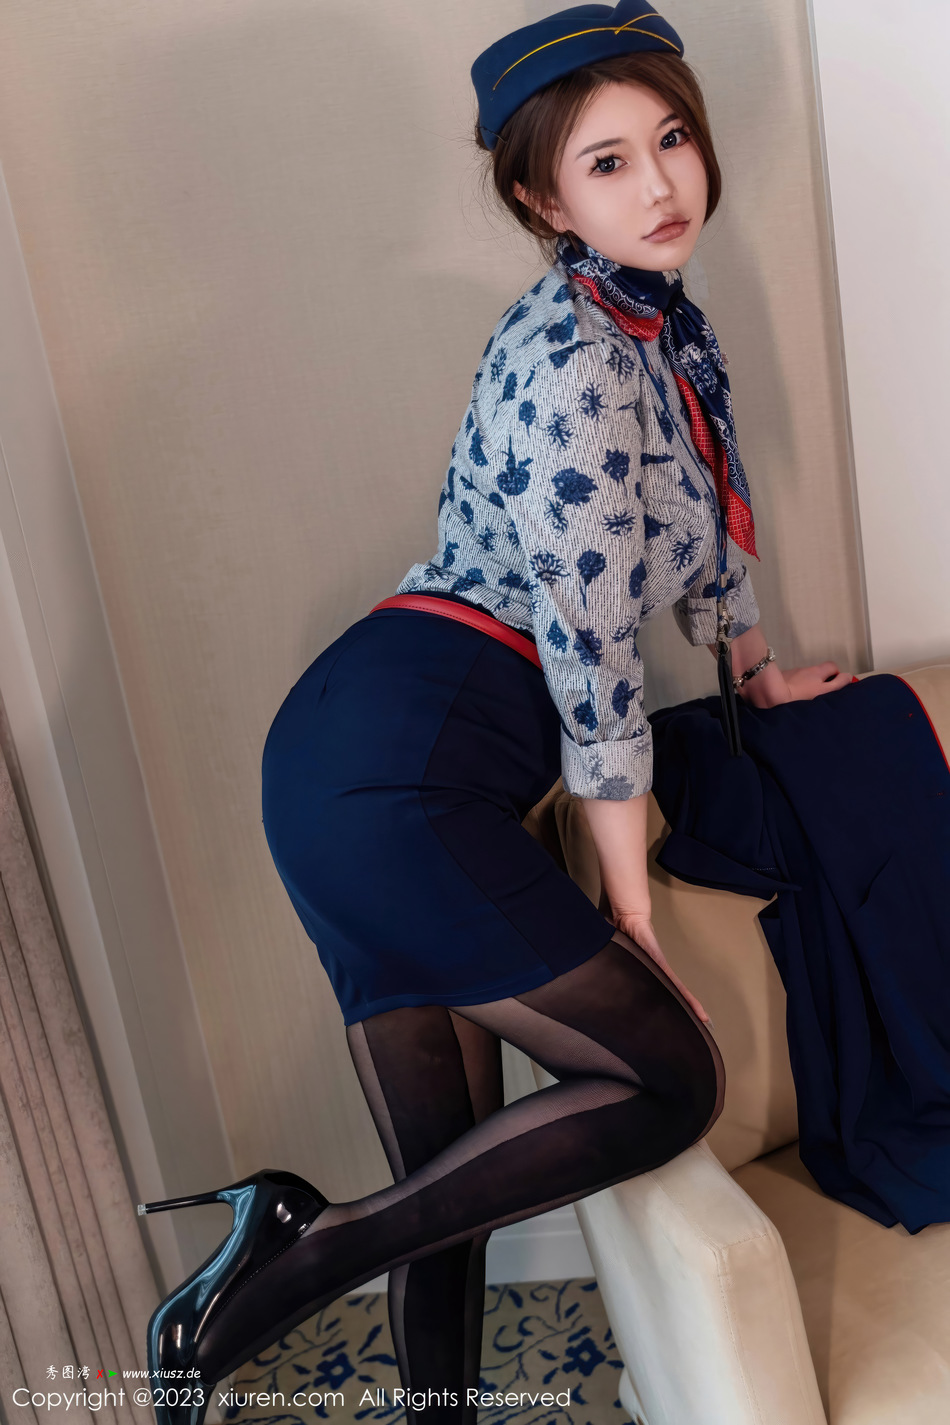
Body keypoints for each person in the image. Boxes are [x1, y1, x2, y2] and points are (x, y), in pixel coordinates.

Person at [141, 6, 852, 1423]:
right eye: (607, 163)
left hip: (360, 751)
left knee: (448, 1175)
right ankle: (293, 1254)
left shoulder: (649, 320)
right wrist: (628, 908)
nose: (661, 184)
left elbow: (704, 526)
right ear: (541, 200)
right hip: (403, 766)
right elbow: (589, 648)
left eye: (671, 137)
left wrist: (758, 668)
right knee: (668, 1077)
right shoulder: (581, 360)